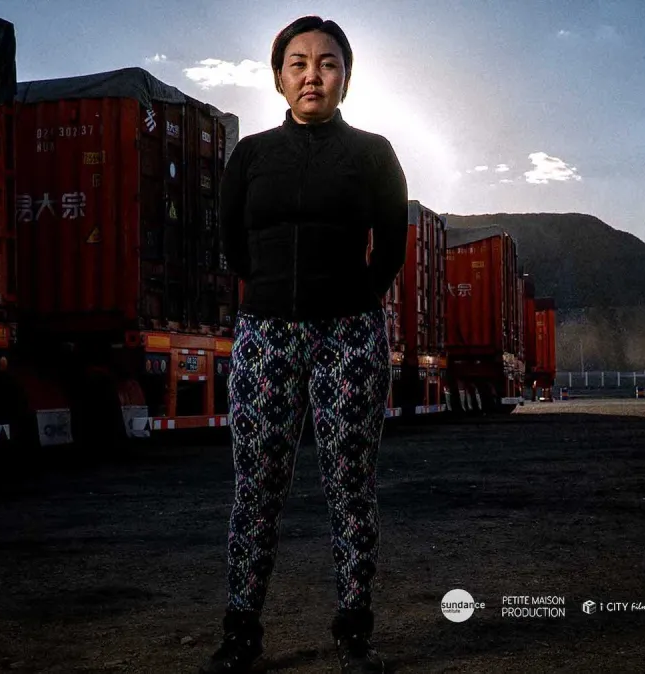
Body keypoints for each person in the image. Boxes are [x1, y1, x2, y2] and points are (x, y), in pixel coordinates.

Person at [202, 15, 407, 674]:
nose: (312, 74)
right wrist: (271, 297)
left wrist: (352, 301)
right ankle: (241, 634)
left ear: (345, 76)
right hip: (266, 336)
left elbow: (393, 247)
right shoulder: (253, 155)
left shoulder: (374, 152)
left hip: (349, 336)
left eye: (327, 62)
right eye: (298, 62)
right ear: (278, 77)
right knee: (257, 489)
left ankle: (354, 633)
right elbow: (233, 240)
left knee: (350, 485)